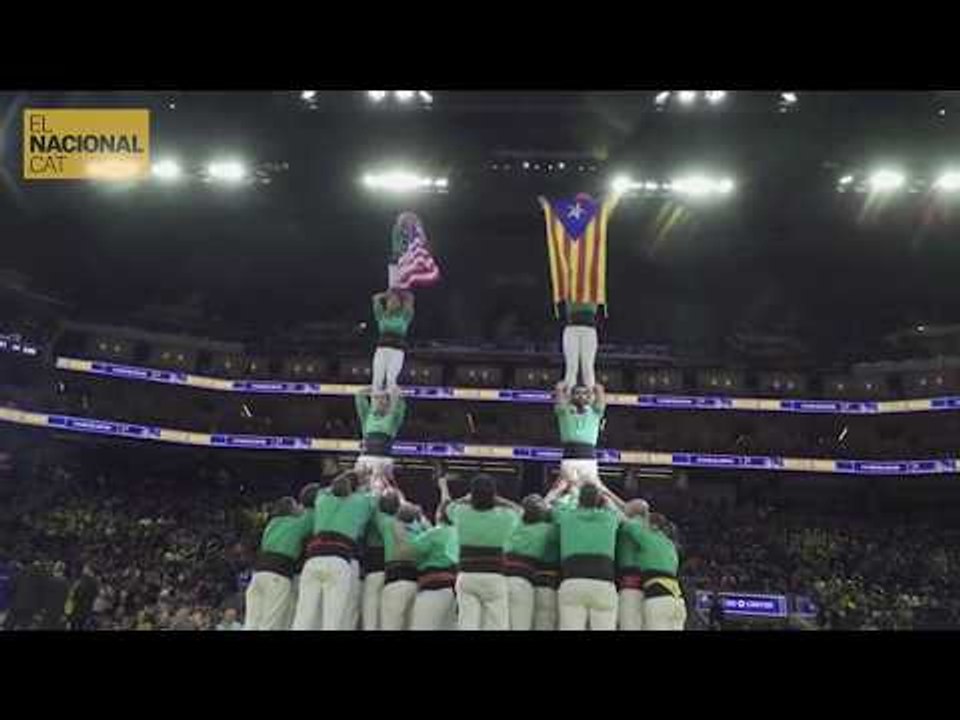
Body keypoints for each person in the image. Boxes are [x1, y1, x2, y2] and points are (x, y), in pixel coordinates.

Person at [292, 472, 376, 631]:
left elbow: (328, 488)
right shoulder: (360, 502)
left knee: (303, 616)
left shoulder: (322, 499)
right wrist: (364, 480)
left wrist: (350, 477)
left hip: (312, 561)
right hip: (339, 562)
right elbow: (373, 497)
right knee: (333, 619)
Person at [443, 474, 521, 631]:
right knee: (497, 624)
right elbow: (519, 511)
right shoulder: (504, 516)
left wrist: (467, 498)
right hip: (494, 576)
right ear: (494, 494)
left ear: (472, 494)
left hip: (466, 576)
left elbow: (448, 508)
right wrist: (498, 499)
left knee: (467, 623)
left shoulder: (461, 512)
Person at [393, 474, 460, 631]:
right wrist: (443, 486)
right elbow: (446, 505)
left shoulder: (435, 533)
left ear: (439, 515)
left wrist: (398, 528)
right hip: (454, 593)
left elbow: (406, 551)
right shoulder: (458, 532)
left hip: (433, 590)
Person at [553, 483, 623, 631]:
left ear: (579, 500)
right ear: (599, 500)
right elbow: (620, 513)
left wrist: (569, 493)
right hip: (603, 583)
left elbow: (555, 505)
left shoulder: (566, 515)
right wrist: (605, 496)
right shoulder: (610, 517)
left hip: (572, 581)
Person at [244, 496, 313, 631]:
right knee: (270, 623)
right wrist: (307, 506)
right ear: (291, 509)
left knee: (251, 623)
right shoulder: (296, 524)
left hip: (258, 575)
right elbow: (312, 517)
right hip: (277, 575)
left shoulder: (272, 524)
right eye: (296, 506)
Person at [624, 512, 686, 631]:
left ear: (653, 526)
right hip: (678, 600)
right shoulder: (671, 545)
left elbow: (627, 523)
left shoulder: (647, 536)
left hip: (658, 597)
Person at [504, 494, 558, 631]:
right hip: (521, 581)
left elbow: (518, 509)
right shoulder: (547, 530)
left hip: (500, 579)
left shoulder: (513, 522)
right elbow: (557, 515)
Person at [378, 502, 424, 631]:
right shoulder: (421, 531)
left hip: (395, 580)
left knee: (390, 625)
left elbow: (378, 509)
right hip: (416, 583)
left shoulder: (389, 524)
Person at [354, 388, 406, 494]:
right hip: (366, 458)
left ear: (388, 402)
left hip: (384, 460)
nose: (379, 401)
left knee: (382, 492)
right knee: (360, 490)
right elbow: (359, 397)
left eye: (383, 398)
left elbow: (401, 406)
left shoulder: (393, 417)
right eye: (376, 398)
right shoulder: (367, 416)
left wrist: (397, 393)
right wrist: (372, 388)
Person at [554, 382, 606, 488]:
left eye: (584, 393)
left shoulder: (595, 412)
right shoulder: (564, 411)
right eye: (577, 393)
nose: (581, 396)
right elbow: (559, 398)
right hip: (569, 457)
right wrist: (559, 390)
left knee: (594, 490)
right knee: (564, 490)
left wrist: (598, 390)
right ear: (571, 396)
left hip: (589, 458)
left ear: (589, 397)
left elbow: (600, 396)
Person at [360, 490, 397, 631]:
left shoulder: (379, 517)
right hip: (392, 572)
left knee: (370, 611)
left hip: (375, 569)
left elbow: (371, 502)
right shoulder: (398, 523)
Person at [371, 288, 414, 394]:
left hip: (397, 351)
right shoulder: (381, 315)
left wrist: (398, 291)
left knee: (391, 379)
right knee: (377, 380)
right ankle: (376, 407)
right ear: (387, 303)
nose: (392, 303)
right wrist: (387, 294)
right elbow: (375, 298)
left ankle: (392, 407)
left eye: (395, 301)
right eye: (390, 301)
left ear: (400, 304)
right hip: (381, 351)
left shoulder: (404, 316)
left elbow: (410, 297)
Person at [616, 499, 650, 631]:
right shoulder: (648, 525)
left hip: (631, 584)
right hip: (646, 585)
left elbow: (617, 511)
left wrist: (601, 488)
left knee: (628, 624)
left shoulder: (632, 524)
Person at [562, 298, 599, 390]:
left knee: (587, 366)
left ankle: (590, 399)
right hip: (571, 329)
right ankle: (568, 398)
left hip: (589, 330)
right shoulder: (570, 288)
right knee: (571, 366)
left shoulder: (593, 289)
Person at [65, 563, 99, 631]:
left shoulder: (82, 581)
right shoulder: (94, 582)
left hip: (79, 609)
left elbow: (74, 595)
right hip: (86, 609)